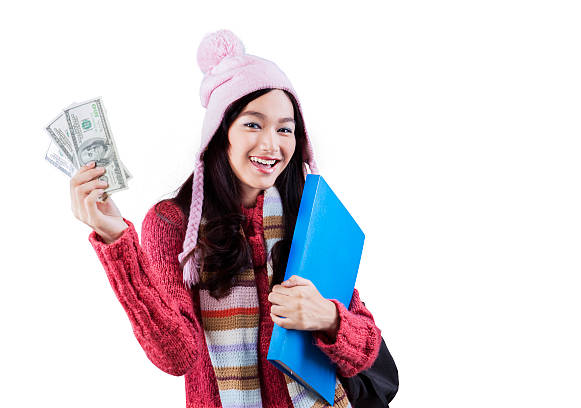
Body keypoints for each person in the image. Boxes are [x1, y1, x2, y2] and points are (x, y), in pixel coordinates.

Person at [69, 29, 382, 408]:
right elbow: (175, 356)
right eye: (253, 124)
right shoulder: (173, 225)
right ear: (221, 133)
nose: (272, 144)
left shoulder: (308, 214)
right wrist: (117, 243)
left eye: (285, 129)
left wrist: (329, 317)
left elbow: (366, 348)